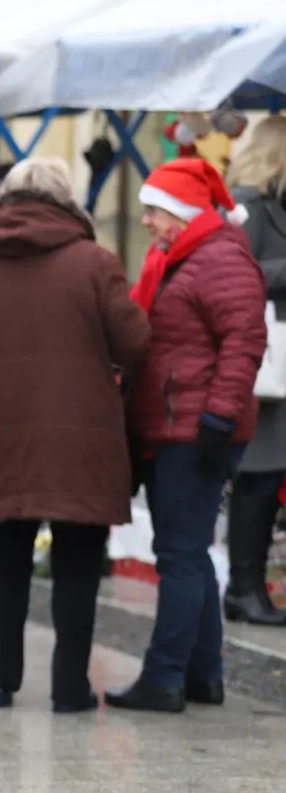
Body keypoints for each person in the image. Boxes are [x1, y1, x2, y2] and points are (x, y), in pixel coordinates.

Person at [0, 158, 150, 712]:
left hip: (5, 433)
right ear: (67, 200)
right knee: (77, 562)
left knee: (6, 556)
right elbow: (133, 342)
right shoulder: (95, 262)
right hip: (79, 437)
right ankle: (69, 689)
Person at [112, 159, 267, 712]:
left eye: (153, 210)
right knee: (189, 552)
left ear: (181, 211)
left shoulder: (220, 257)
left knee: (178, 555)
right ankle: (202, 676)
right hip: (173, 422)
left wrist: (218, 419)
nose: (147, 221)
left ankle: (164, 678)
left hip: (196, 428)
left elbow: (245, 339)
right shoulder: (175, 259)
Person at [225, 117, 286, 627]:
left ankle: (251, 587)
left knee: (268, 477)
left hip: (277, 363)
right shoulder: (246, 207)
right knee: (258, 478)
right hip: (264, 365)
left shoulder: (272, 207)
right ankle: (243, 588)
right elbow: (236, 271)